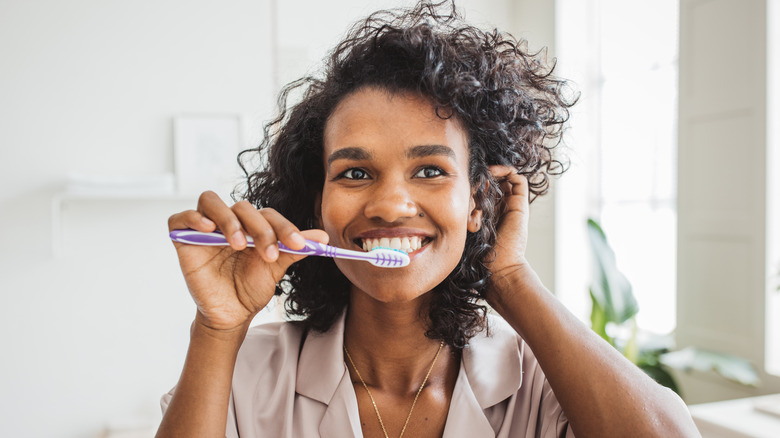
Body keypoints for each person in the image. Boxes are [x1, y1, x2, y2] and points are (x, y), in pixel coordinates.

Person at [157, 1, 700, 437]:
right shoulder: (243, 373)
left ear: (478, 202)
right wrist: (218, 329)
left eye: (431, 171)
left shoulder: (543, 383)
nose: (391, 205)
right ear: (315, 203)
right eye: (353, 174)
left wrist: (509, 279)